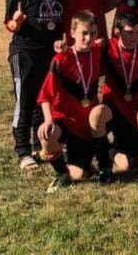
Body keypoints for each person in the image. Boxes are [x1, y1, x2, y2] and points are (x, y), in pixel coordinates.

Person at [4, 0, 65, 171]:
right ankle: (23, 151)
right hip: (24, 52)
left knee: (43, 101)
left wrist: (60, 40)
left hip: (49, 54)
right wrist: (16, 22)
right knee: (25, 101)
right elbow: (9, 24)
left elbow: (57, 21)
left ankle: (41, 145)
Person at [37, 10, 104, 193]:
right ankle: (60, 173)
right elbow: (45, 96)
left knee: (80, 175)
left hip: (84, 127)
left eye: (92, 33)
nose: (88, 38)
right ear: (72, 33)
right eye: (84, 33)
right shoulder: (61, 58)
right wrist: (48, 120)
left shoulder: (97, 52)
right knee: (46, 134)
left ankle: (66, 158)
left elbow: (106, 44)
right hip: (63, 119)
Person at [88, 11, 138, 184]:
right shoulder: (106, 47)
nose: (134, 36)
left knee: (128, 165)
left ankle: (111, 151)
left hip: (136, 114)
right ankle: (104, 165)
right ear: (117, 32)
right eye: (129, 32)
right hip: (114, 109)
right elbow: (81, 52)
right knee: (97, 113)